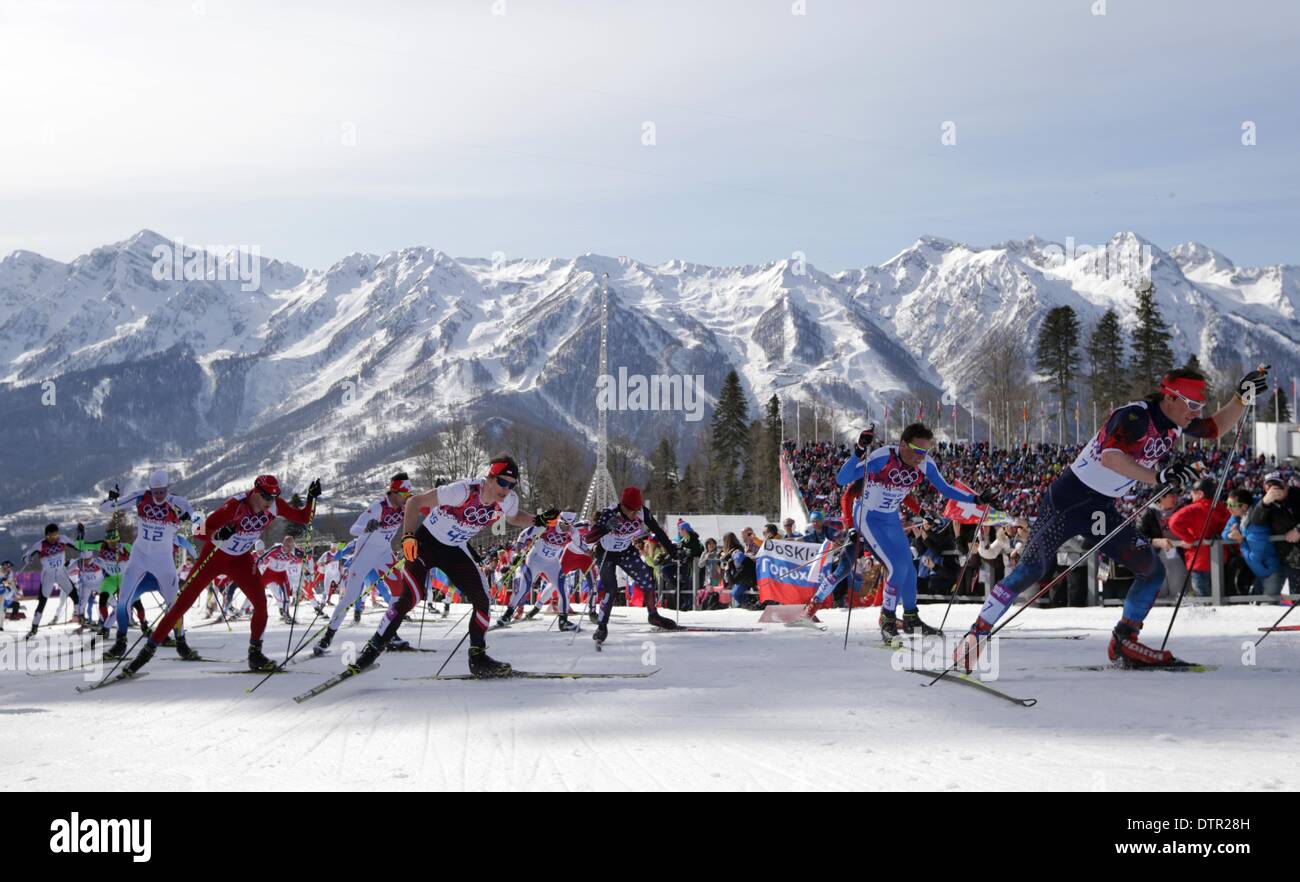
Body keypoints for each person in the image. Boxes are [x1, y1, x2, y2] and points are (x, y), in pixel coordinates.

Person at [956, 366, 1268, 669]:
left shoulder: (1175, 422)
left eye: (1200, 405)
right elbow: (1111, 457)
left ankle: (1125, 640)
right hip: (1067, 501)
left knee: (1151, 569)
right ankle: (977, 633)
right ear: (1170, 397)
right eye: (1192, 404)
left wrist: (1240, 398)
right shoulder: (1134, 417)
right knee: (1031, 570)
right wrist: (1158, 475)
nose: (1196, 412)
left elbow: (1213, 428)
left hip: (1100, 507)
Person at [352, 455, 550, 677]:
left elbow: (513, 518)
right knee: (410, 598)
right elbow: (414, 502)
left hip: (454, 549)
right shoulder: (463, 491)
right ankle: (371, 651)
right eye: (502, 482)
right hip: (426, 543)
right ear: (490, 478)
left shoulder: (509, 500)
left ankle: (478, 658)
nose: (506, 489)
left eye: (511, 484)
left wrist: (538, 520)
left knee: (482, 598)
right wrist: (407, 536)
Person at [123, 474, 319, 674]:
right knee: (181, 604)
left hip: (241, 559)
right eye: (267, 497)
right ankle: (146, 653)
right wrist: (217, 534)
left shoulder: (275, 505)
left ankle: (255, 654)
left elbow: (304, 518)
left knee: (261, 603)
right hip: (215, 558)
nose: (271, 502)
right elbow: (199, 531)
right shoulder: (234, 506)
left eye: (274, 497)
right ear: (256, 492)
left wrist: (311, 499)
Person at [838, 423, 992, 641]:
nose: (921, 456)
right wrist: (859, 451)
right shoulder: (883, 458)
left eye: (925, 451)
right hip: (867, 517)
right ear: (903, 445)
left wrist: (976, 499)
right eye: (918, 450)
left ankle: (911, 618)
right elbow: (841, 480)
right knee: (896, 567)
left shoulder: (925, 464)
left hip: (890, 517)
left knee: (908, 568)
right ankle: (887, 619)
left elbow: (946, 489)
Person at [100, 470, 196, 657]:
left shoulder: (178, 502)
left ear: (167, 488)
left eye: (162, 492)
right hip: (139, 557)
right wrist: (110, 500)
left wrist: (189, 519)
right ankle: (120, 642)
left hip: (163, 560)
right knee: (124, 600)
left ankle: (181, 641)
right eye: (155, 492)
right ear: (150, 489)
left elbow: (199, 521)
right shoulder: (140, 497)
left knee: (173, 604)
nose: (159, 496)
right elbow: (104, 510)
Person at [314, 474, 410, 655]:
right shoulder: (378, 507)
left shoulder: (405, 505)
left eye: (408, 493)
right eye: (404, 492)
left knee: (400, 591)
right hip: (365, 554)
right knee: (350, 597)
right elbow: (353, 530)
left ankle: (388, 632)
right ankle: (327, 637)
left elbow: (425, 507)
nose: (407, 497)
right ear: (394, 491)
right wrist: (367, 527)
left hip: (384, 553)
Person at [586, 486, 679, 645]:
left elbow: (658, 531)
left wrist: (673, 551)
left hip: (625, 551)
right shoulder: (610, 513)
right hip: (606, 552)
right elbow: (589, 538)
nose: (635, 514)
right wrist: (606, 527)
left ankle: (653, 615)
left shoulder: (642, 512)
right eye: (632, 511)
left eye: (637, 511)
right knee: (611, 589)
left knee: (646, 578)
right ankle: (602, 626)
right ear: (623, 506)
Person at [1167, 477, 1230, 597]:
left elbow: (1173, 522)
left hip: (1199, 559)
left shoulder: (1194, 509)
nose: (1191, 496)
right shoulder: (1222, 508)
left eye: (1193, 493)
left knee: (1203, 598)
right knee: (1219, 596)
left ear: (1200, 494)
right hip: (1221, 557)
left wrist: (1188, 538)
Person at [22, 523, 81, 639]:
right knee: (42, 602)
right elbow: (27, 554)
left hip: (61, 573)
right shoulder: (40, 545)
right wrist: (27, 558)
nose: (54, 539)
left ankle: (82, 619)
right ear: (46, 536)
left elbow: (77, 545)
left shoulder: (62, 539)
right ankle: (34, 627)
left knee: (75, 595)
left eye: (55, 536)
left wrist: (80, 538)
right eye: (51, 537)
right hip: (47, 576)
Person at [1224, 488, 1283, 597]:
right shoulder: (1239, 514)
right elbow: (1225, 533)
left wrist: (1241, 541)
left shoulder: (1257, 526)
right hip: (1259, 573)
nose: (1228, 508)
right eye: (1226, 504)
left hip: (1270, 572)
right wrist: (1230, 535)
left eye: (1231, 505)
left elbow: (1254, 558)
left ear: (1244, 506)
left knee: (1269, 608)